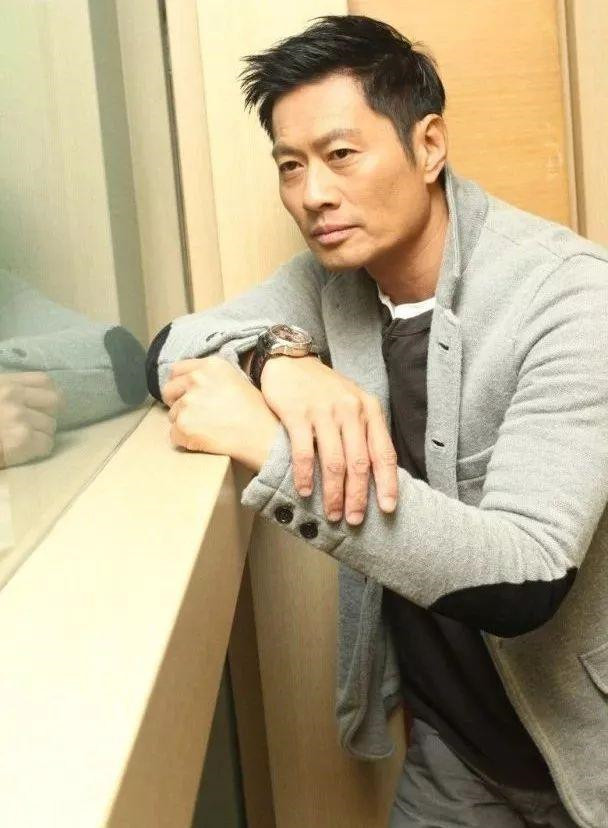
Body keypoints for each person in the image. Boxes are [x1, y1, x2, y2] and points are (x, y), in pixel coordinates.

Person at [145, 15, 608, 828]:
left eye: (340, 155)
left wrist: (272, 451)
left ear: (428, 147)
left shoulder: (572, 297)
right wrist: (276, 361)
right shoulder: (333, 284)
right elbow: (169, 347)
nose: (312, 194)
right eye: (291, 166)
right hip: (454, 753)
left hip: (589, 744)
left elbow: (526, 578)